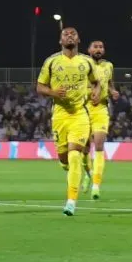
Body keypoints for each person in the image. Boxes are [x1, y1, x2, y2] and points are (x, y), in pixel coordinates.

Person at [37, 27, 101, 216]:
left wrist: (96, 92)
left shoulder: (87, 62)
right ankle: (76, 169)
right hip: (59, 115)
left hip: (80, 114)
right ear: (60, 40)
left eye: (73, 34)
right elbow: (40, 86)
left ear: (79, 39)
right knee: (65, 159)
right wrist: (53, 92)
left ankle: (71, 201)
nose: (70, 36)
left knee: (74, 155)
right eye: (66, 34)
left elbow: (96, 82)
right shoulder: (52, 61)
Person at [86, 40, 118, 199]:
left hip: (101, 109)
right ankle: (87, 173)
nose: (98, 49)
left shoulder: (108, 66)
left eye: (101, 47)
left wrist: (113, 91)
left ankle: (96, 186)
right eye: (95, 47)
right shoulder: (82, 64)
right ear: (89, 49)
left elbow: (110, 82)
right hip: (84, 108)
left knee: (99, 145)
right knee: (83, 147)